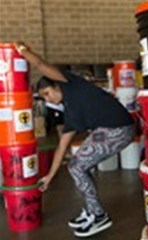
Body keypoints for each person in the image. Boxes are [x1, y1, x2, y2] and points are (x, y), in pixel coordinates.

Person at [15, 42, 135, 238]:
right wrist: (50, 176)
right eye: (43, 98)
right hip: (109, 130)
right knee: (79, 165)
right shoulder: (69, 112)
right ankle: (91, 210)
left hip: (118, 129)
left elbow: (41, 65)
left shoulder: (69, 82)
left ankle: (98, 215)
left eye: (47, 94)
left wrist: (22, 51)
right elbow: (62, 145)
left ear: (56, 85)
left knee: (77, 167)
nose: (48, 100)